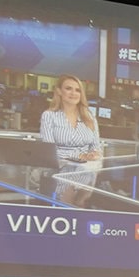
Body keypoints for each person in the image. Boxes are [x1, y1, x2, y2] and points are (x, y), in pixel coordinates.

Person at [38, 73, 102, 205]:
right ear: (59, 91)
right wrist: (80, 155)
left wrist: (94, 153)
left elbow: (96, 145)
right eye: (68, 88)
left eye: (77, 90)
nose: (73, 93)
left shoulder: (89, 116)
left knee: (80, 210)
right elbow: (49, 150)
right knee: (63, 210)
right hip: (59, 173)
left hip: (86, 174)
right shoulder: (49, 116)